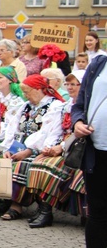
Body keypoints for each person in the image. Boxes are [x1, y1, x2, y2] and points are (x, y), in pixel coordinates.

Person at [0, 74, 66, 221]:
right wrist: (8, 149)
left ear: (38, 89)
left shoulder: (54, 106)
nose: (25, 95)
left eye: (27, 91)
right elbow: (13, 129)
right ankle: (3, 199)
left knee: (21, 164)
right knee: (3, 161)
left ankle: (16, 205)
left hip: (41, 148)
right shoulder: (25, 107)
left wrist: (29, 150)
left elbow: (50, 134)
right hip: (20, 147)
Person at [24, 70, 83, 228]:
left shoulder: (86, 107)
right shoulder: (64, 107)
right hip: (63, 146)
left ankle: (46, 211)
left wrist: (61, 147)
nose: (69, 87)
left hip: (78, 149)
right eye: (68, 84)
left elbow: (79, 134)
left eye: (74, 84)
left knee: (48, 168)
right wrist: (48, 148)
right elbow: (55, 130)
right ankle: (44, 210)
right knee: (38, 163)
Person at [71, 53, 107, 248]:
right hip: (98, 150)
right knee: (98, 212)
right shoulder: (98, 64)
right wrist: (78, 122)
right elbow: (79, 106)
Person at [0, 66, 26, 145]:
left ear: (10, 80)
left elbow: (11, 126)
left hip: (8, 138)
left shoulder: (17, 102)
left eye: (0, 78)